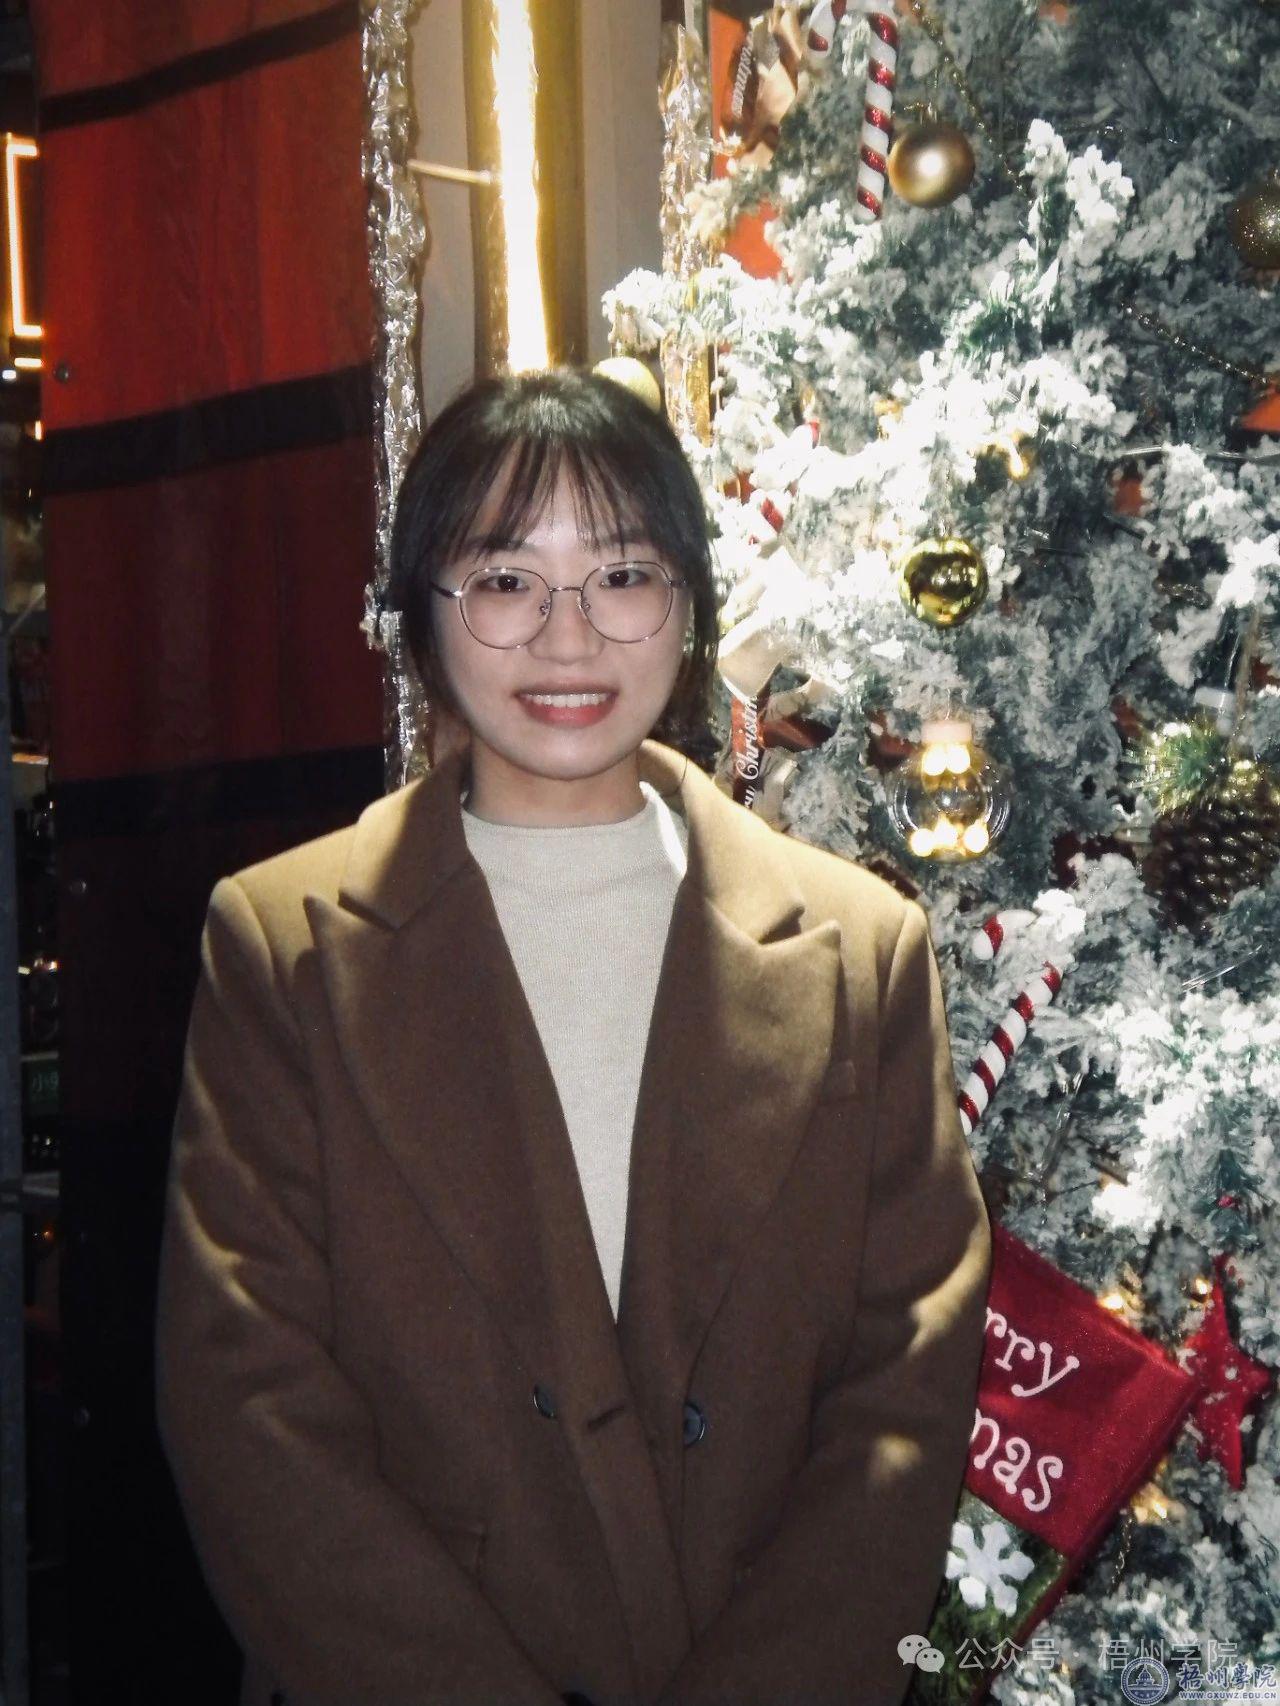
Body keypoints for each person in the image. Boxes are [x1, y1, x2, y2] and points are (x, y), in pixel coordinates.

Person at [155, 367, 993, 1706]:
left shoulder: (860, 950)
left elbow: (907, 1387)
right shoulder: (283, 946)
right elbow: (247, 1401)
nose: (568, 637)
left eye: (622, 575)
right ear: (423, 613)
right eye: (505, 579)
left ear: (688, 606)